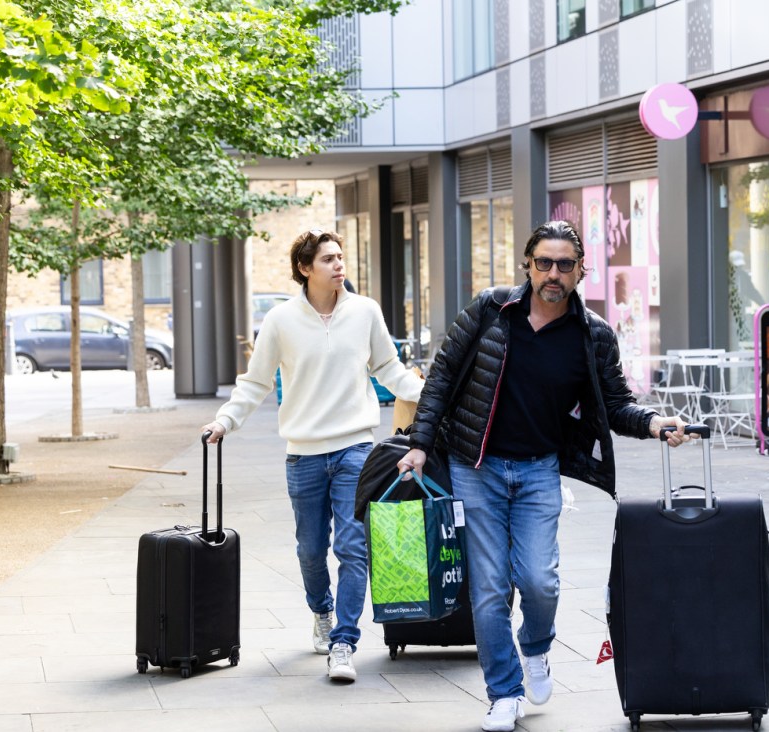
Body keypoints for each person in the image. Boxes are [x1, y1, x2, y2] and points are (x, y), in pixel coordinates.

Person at [397, 220, 692, 732]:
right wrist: (420, 443)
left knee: (539, 582)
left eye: (564, 264)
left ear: (581, 270)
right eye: (543, 263)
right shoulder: (490, 310)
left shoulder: (592, 335)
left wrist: (652, 422)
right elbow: (442, 375)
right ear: (527, 266)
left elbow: (616, 403)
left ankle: (535, 648)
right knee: (489, 589)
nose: (553, 273)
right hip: (476, 468)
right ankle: (503, 694)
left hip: (538, 472)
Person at [201, 228, 424, 683]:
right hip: (303, 453)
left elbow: (388, 368)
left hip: (356, 448)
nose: (339, 265)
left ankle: (343, 642)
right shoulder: (282, 321)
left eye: (340, 257)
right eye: (328, 259)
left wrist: (431, 397)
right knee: (310, 549)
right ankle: (321, 611)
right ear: (305, 268)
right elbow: (256, 381)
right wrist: (225, 420)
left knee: (353, 547)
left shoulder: (365, 312)